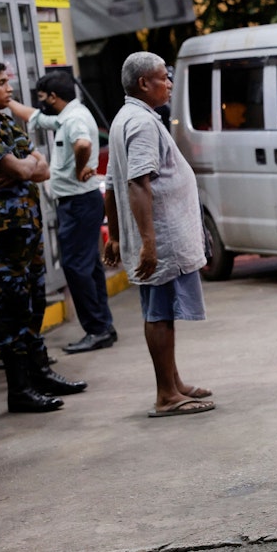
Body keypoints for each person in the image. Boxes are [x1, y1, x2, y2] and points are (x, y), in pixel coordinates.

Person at [0, 60, 88, 413]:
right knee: (11, 309)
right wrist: (23, 168)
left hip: (26, 229)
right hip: (4, 233)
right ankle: (19, 390)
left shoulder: (3, 121)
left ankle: (40, 373)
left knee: (32, 303)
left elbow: (41, 168)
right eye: (1, 83)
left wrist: (25, 168)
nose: (10, 89)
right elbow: (23, 166)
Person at [103, 51, 215, 418]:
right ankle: (166, 394)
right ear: (143, 84)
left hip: (157, 238)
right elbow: (136, 184)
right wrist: (148, 242)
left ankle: (174, 382)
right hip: (161, 239)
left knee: (161, 311)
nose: (168, 82)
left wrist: (117, 236)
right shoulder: (140, 123)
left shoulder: (132, 118)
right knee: (160, 312)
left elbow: (110, 186)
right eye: (162, 77)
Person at [7, 71, 117, 354]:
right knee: (89, 265)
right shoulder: (66, 115)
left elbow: (83, 144)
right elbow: (32, 115)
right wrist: (7, 101)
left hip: (79, 202)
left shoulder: (74, 118)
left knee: (75, 267)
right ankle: (103, 326)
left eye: (43, 97)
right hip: (78, 202)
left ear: (54, 97)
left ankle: (96, 329)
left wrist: (81, 166)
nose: (41, 102)